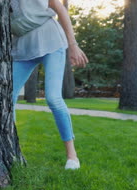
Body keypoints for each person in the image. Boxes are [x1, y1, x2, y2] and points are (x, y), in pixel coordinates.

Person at [11, 0, 89, 170]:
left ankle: (72, 156)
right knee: (6, 99)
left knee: (53, 98)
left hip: (51, 41)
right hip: (22, 47)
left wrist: (73, 45)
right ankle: (12, 150)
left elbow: (60, 8)